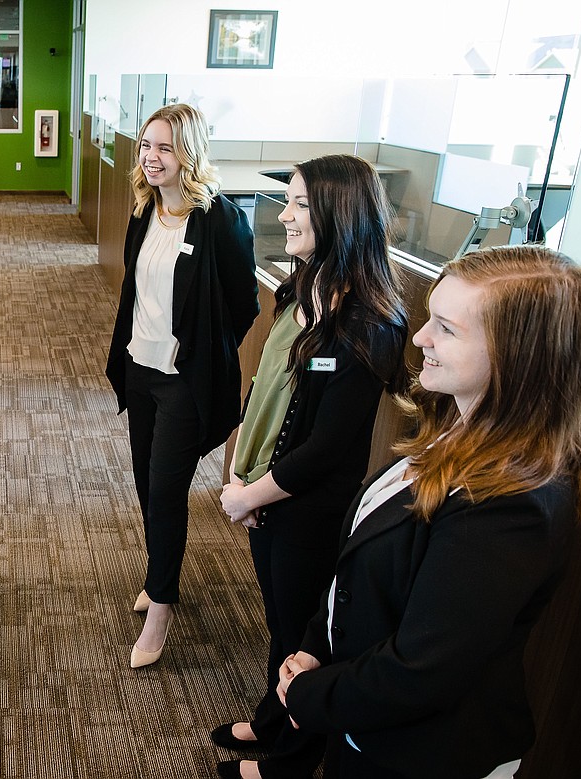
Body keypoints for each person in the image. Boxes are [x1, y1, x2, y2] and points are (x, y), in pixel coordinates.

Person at [276, 245, 581, 779]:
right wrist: (319, 646)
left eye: (446, 329)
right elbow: (364, 566)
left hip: (423, 752)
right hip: (366, 716)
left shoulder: (510, 505)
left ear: (517, 356)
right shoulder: (452, 420)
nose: (421, 337)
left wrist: (312, 695)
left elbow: (421, 670)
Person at [212, 155, 409, 779]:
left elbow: (326, 448)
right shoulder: (295, 289)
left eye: (298, 205)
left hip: (306, 503)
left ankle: (290, 760)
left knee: (305, 634)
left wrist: (253, 497)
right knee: (279, 617)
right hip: (266, 488)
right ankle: (274, 717)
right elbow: (266, 389)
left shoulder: (370, 323)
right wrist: (241, 474)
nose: (284, 215)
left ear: (337, 215)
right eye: (287, 201)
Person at [105, 103, 259, 669]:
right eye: (146, 145)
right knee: (147, 484)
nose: (150, 157)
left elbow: (243, 304)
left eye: (164, 147)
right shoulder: (144, 210)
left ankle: (162, 604)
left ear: (188, 153)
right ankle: (159, 572)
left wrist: (199, 351)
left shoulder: (219, 220)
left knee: (167, 492)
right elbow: (135, 292)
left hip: (182, 383)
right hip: (138, 370)